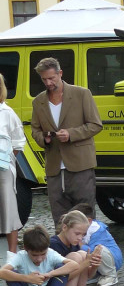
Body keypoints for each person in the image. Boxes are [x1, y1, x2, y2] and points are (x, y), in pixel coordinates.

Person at [29, 57, 102, 228]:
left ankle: (87, 253)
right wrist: (44, 139)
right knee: (59, 218)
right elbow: (35, 130)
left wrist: (71, 134)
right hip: (54, 167)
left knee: (85, 216)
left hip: (80, 165)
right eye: (44, 79)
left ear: (60, 74)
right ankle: (64, 253)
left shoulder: (82, 94)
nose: (48, 83)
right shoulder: (38, 101)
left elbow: (96, 125)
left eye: (51, 78)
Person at [1, 225, 82, 286]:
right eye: (34, 255)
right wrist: (28, 278)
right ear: (26, 249)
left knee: (62, 268)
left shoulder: (51, 253)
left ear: (47, 248)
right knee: (10, 274)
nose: (39, 259)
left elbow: (74, 265)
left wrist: (50, 274)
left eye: (43, 254)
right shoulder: (20, 256)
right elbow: (2, 272)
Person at [49, 209, 105, 286]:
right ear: (64, 228)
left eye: (83, 234)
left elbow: (87, 276)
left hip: (64, 281)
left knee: (83, 254)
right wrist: (84, 264)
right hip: (52, 285)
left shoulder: (73, 244)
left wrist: (93, 265)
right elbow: (63, 277)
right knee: (75, 257)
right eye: (77, 233)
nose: (80, 238)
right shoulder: (54, 244)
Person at [0, 74, 25, 255]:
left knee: (9, 208)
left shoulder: (7, 113)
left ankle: (12, 256)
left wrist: (4, 158)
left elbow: (18, 143)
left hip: (2, 169)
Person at [73, 202, 122, 286]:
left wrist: (80, 246)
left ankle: (110, 275)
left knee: (99, 250)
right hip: (95, 264)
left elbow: (91, 252)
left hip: (112, 259)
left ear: (88, 221)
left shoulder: (97, 230)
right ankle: (91, 275)